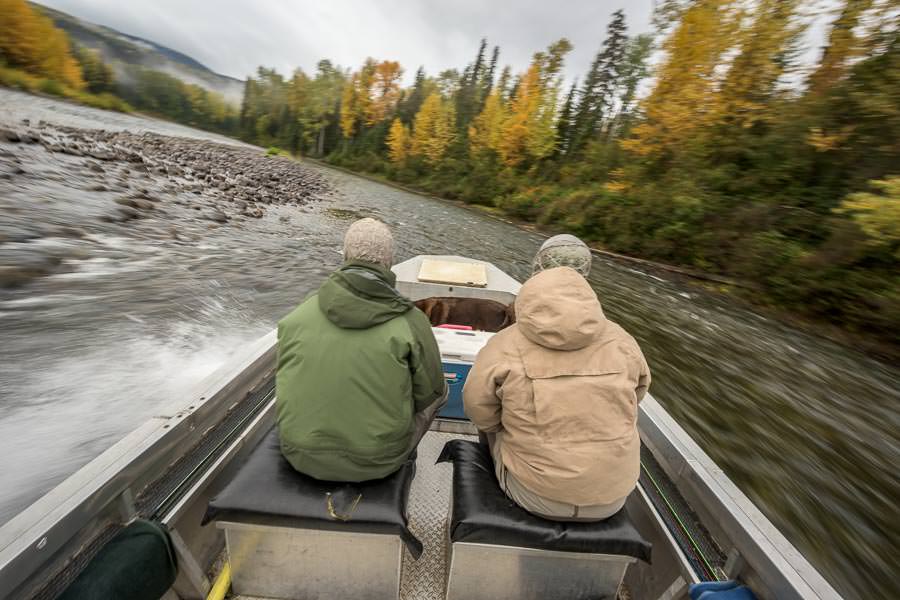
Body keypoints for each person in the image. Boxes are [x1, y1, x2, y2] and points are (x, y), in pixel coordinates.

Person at [463, 236, 651, 521]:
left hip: (535, 495)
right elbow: (637, 394)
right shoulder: (623, 340)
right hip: (613, 498)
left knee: (492, 423)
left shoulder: (505, 343)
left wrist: (509, 426)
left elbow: (478, 411)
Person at [276, 218, 447, 482]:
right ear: (389, 262)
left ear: (345, 256)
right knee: (441, 389)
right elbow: (430, 393)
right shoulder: (412, 321)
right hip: (377, 461)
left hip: (299, 452)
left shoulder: (300, 313)